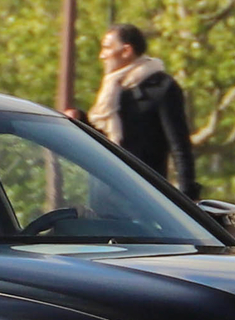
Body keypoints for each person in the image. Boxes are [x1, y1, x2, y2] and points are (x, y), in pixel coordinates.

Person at [81, 24, 198, 197]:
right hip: (105, 194)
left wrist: (188, 197)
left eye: (107, 48)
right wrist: (81, 120)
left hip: (143, 197)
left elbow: (179, 146)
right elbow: (103, 138)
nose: (102, 56)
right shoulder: (111, 90)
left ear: (126, 51)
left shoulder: (161, 87)